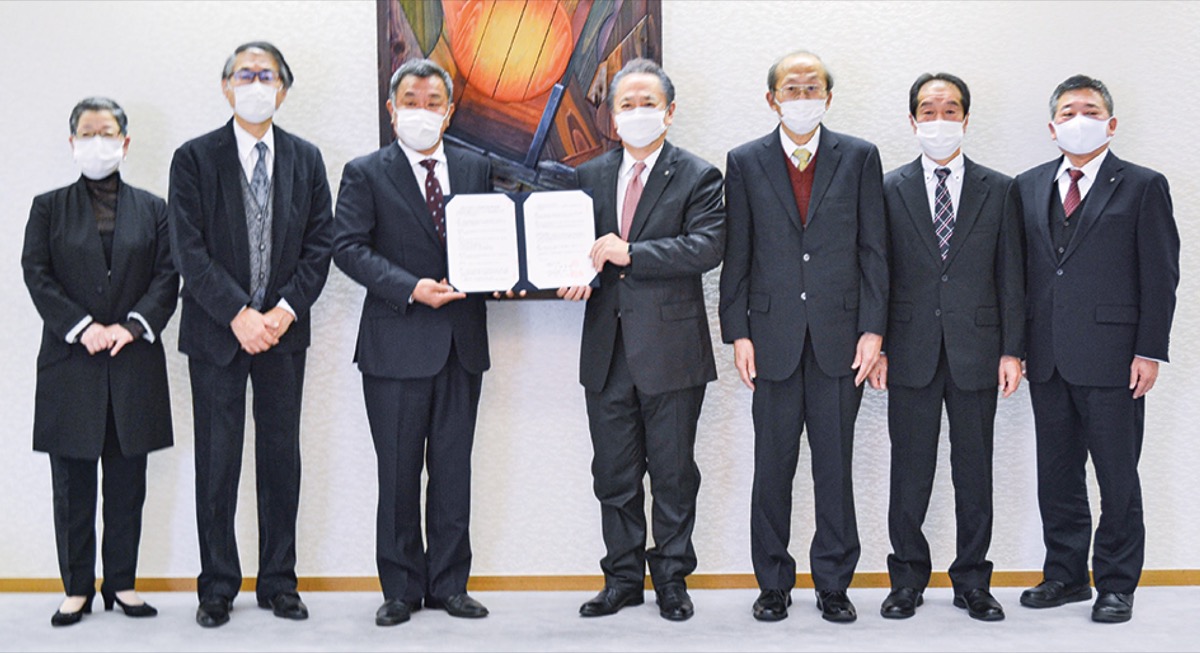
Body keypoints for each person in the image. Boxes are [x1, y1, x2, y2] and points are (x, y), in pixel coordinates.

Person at [167, 41, 334, 628]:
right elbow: (188, 248)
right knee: (217, 461)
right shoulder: (193, 159)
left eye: (267, 76)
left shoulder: (307, 160)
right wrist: (238, 313)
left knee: (280, 459)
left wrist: (282, 311)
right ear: (226, 86)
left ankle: (279, 581)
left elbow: (320, 245)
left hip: (283, 334)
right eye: (246, 74)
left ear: (283, 90)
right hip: (217, 334)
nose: (256, 84)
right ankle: (216, 586)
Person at [718, 50, 886, 623]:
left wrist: (874, 329)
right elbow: (737, 253)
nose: (802, 97)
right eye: (792, 89)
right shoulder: (745, 161)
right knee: (772, 468)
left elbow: (873, 250)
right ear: (772, 100)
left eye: (812, 88)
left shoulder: (859, 157)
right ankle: (772, 583)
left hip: (842, 340)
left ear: (828, 98)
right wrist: (738, 333)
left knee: (834, 469)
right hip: (771, 339)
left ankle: (833, 583)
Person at [558, 58, 724, 622]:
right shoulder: (587, 177)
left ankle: (672, 581)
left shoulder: (699, 176)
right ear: (611, 116)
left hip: (672, 352)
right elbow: (576, 251)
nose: (636, 113)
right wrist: (570, 276)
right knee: (614, 475)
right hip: (607, 351)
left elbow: (706, 247)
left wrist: (631, 253)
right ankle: (622, 579)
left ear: (669, 112)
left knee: (674, 476)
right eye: (625, 104)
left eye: (647, 103)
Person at [333, 58, 492, 627]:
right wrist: (410, 288)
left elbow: (493, 240)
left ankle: (450, 585)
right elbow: (348, 248)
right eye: (410, 101)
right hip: (394, 342)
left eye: (432, 102)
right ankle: (400, 589)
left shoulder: (476, 168)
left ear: (449, 112)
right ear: (391, 109)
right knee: (398, 474)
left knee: (453, 471)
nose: (421, 111)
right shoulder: (364, 173)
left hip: (461, 343)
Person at [1015, 75, 1179, 624]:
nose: (1077, 119)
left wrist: (1149, 350)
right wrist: (1016, 347)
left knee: (1117, 478)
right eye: (1067, 111)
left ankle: (1116, 583)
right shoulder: (1028, 185)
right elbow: (1020, 274)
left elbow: (1161, 274)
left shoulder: (1142, 185)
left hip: (1115, 358)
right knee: (1057, 476)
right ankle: (1065, 576)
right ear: (1052, 126)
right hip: (1047, 356)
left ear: (1110, 123)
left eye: (1089, 110)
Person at [867, 73, 1024, 622]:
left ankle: (973, 581)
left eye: (950, 110)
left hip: (978, 349)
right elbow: (877, 273)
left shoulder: (1000, 189)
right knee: (909, 470)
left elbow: (1012, 275)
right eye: (928, 111)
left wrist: (1012, 350)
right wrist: (877, 343)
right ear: (912, 121)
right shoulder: (887, 188)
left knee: (974, 471)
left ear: (966, 118)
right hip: (908, 349)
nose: (939, 120)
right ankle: (906, 579)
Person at [22, 97, 179, 626]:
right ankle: (76, 588)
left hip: (132, 361)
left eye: (106, 132)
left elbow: (167, 276)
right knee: (72, 485)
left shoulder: (154, 209)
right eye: (86, 133)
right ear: (72, 143)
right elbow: (37, 274)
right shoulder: (48, 207)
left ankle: (122, 584)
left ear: (125, 142)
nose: (97, 142)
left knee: (127, 482)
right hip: (71, 361)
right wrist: (83, 327)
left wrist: (131, 326)